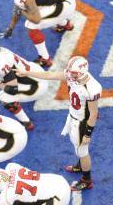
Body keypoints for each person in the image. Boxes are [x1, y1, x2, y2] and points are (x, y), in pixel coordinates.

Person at [16, 55, 101, 191]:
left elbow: (94, 113)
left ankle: (87, 180)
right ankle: (80, 165)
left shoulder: (92, 88)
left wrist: (87, 134)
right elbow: (50, 75)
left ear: (82, 72)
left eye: (73, 72)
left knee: (82, 150)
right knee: (77, 147)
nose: (69, 74)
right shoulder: (72, 75)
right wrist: (27, 73)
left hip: (82, 122)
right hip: (74, 115)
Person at [0, 0, 76, 67]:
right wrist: (11, 28)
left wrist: (22, 11)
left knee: (30, 25)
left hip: (63, 6)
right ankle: (65, 25)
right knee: (43, 8)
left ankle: (45, 59)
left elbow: (36, 19)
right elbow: (20, 7)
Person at [0, 41, 48, 130]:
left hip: (37, 86)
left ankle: (27, 123)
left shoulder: (0, 64)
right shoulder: (0, 53)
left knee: (3, 97)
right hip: (38, 72)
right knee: (3, 79)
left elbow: (12, 90)